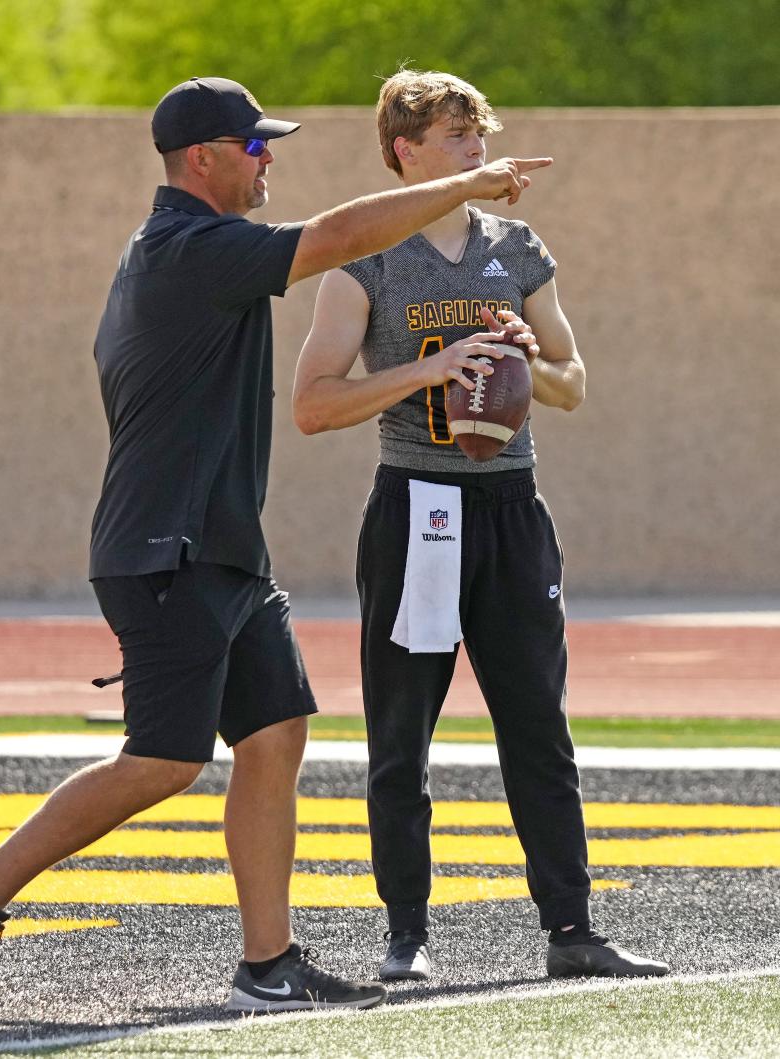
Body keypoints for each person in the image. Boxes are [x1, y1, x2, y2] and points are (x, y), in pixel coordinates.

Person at [0, 75, 555, 1018]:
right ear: (202, 160)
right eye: (255, 147)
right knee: (165, 762)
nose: (269, 159)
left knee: (274, 733)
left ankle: (269, 960)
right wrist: (462, 186)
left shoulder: (185, 248)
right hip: (165, 548)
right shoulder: (190, 245)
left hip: (220, 550)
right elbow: (338, 239)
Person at [293, 69, 670, 983]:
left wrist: (529, 361)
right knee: (403, 732)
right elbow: (311, 405)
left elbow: (573, 385)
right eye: (455, 135)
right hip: (417, 508)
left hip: (511, 507)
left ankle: (573, 929)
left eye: (478, 132)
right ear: (404, 152)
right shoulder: (365, 258)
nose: (475, 147)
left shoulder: (516, 245)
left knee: (538, 723)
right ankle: (407, 933)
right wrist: (431, 371)